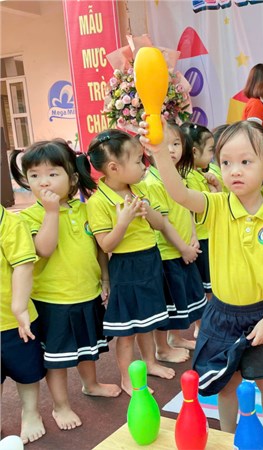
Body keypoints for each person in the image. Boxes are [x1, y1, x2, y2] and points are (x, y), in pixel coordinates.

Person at [140, 119, 263, 446]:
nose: (235, 170)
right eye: (227, 162)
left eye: (245, 161)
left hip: (260, 315)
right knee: (227, 384)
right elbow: (178, 193)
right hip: (221, 315)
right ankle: (229, 439)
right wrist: (160, 152)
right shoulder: (216, 205)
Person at [10, 141, 121, 430]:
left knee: (86, 348)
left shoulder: (83, 210)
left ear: (72, 179)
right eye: (34, 175)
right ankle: (60, 405)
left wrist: (105, 278)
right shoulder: (29, 217)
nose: (43, 181)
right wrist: (50, 212)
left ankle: (91, 384)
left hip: (87, 293)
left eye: (52, 173)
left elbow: (99, 249)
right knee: (56, 359)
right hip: (53, 301)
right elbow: (44, 249)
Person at [83, 129, 175, 394]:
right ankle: (127, 378)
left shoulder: (138, 189)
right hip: (125, 267)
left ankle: (150, 362)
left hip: (150, 260)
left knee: (147, 321)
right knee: (127, 331)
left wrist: (148, 212)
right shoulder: (98, 202)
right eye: (137, 161)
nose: (143, 165)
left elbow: (159, 225)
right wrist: (123, 221)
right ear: (114, 168)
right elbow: (106, 244)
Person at [143, 123, 206, 356]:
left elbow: (187, 210)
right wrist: (182, 248)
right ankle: (162, 348)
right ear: (148, 148)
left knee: (180, 300)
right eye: (164, 144)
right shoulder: (151, 182)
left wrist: (193, 237)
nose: (171, 149)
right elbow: (163, 223)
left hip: (183, 248)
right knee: (167, 304)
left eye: (176, 144)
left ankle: (175, 338)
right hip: (167, 252)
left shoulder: (178, 176)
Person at [0, 205, 46, 444]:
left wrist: (19, 308)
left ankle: (30, 412)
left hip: (14, 322)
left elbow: (24, 265)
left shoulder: (10, 224)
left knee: (26, 373)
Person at [181, 123, 218, 338]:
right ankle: (202, 326)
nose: (213, 155)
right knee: (204, 288)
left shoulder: (199, 175)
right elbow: (197, 208)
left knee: (210, 286)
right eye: (211, 150)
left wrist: (214, 187)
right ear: (194, 151)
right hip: (200, 239)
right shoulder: (187, 177)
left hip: (208, 236)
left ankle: (208, 323)